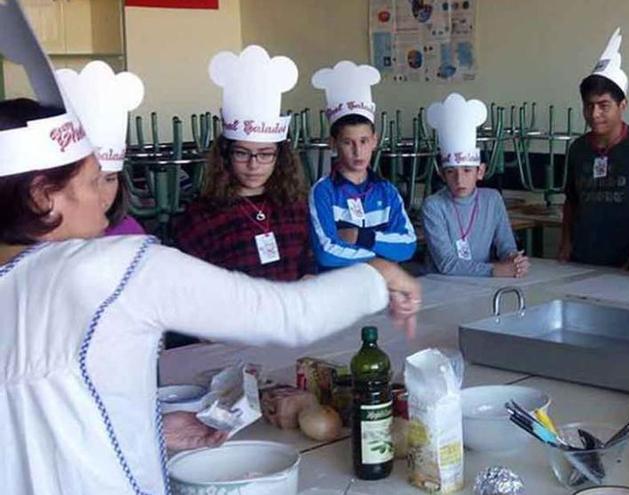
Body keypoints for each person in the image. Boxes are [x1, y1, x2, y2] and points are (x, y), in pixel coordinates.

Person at [0, 12, 421, 492]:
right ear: (41, 196)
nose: (109, 196)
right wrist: (380, 271)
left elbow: (41, 426)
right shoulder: (111, 266)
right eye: (96, 180)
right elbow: (288, 314)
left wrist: (154, 430)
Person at [174, 45, 312, 281]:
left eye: (265, 154)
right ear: (225, 155)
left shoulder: (295, 207)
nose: (253, 165)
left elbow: (308, 263)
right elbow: (188, 286)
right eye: (242, 153)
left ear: (280, 158)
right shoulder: (200, 217)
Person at [559, 28, 629, 267]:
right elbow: (572, 201)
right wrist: (566, 243)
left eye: (604, 105)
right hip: (583, 260)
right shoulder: (578, 150)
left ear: (623, 105)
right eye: (589, 106)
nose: (595, 114)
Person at [309, 60, 416, 270]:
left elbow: (408, 245)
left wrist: (360, 236)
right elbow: (326, 251)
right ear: (333, 144)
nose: (358, 152)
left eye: (364, 141)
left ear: (374, 140)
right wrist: (381, 261)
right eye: (348, 142)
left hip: (383, 288)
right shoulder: (323, 192)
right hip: (340, 288)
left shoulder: (387, 192)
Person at [421, 92, 529, 277]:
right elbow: (446, 264)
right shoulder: (434, 206)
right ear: (441, 174)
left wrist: (514, 260)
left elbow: (506, 246)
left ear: (480, 171)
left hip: (481, 284)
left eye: (467, 171)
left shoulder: (492, 199)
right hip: (442, 285)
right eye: (450, 171)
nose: (459, 179)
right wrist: (495, 270)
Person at [56, 61, 146, 237]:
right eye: (90, 181)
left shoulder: (130, 235)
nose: (101, 196)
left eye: (110, 179)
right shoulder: (41, 242)